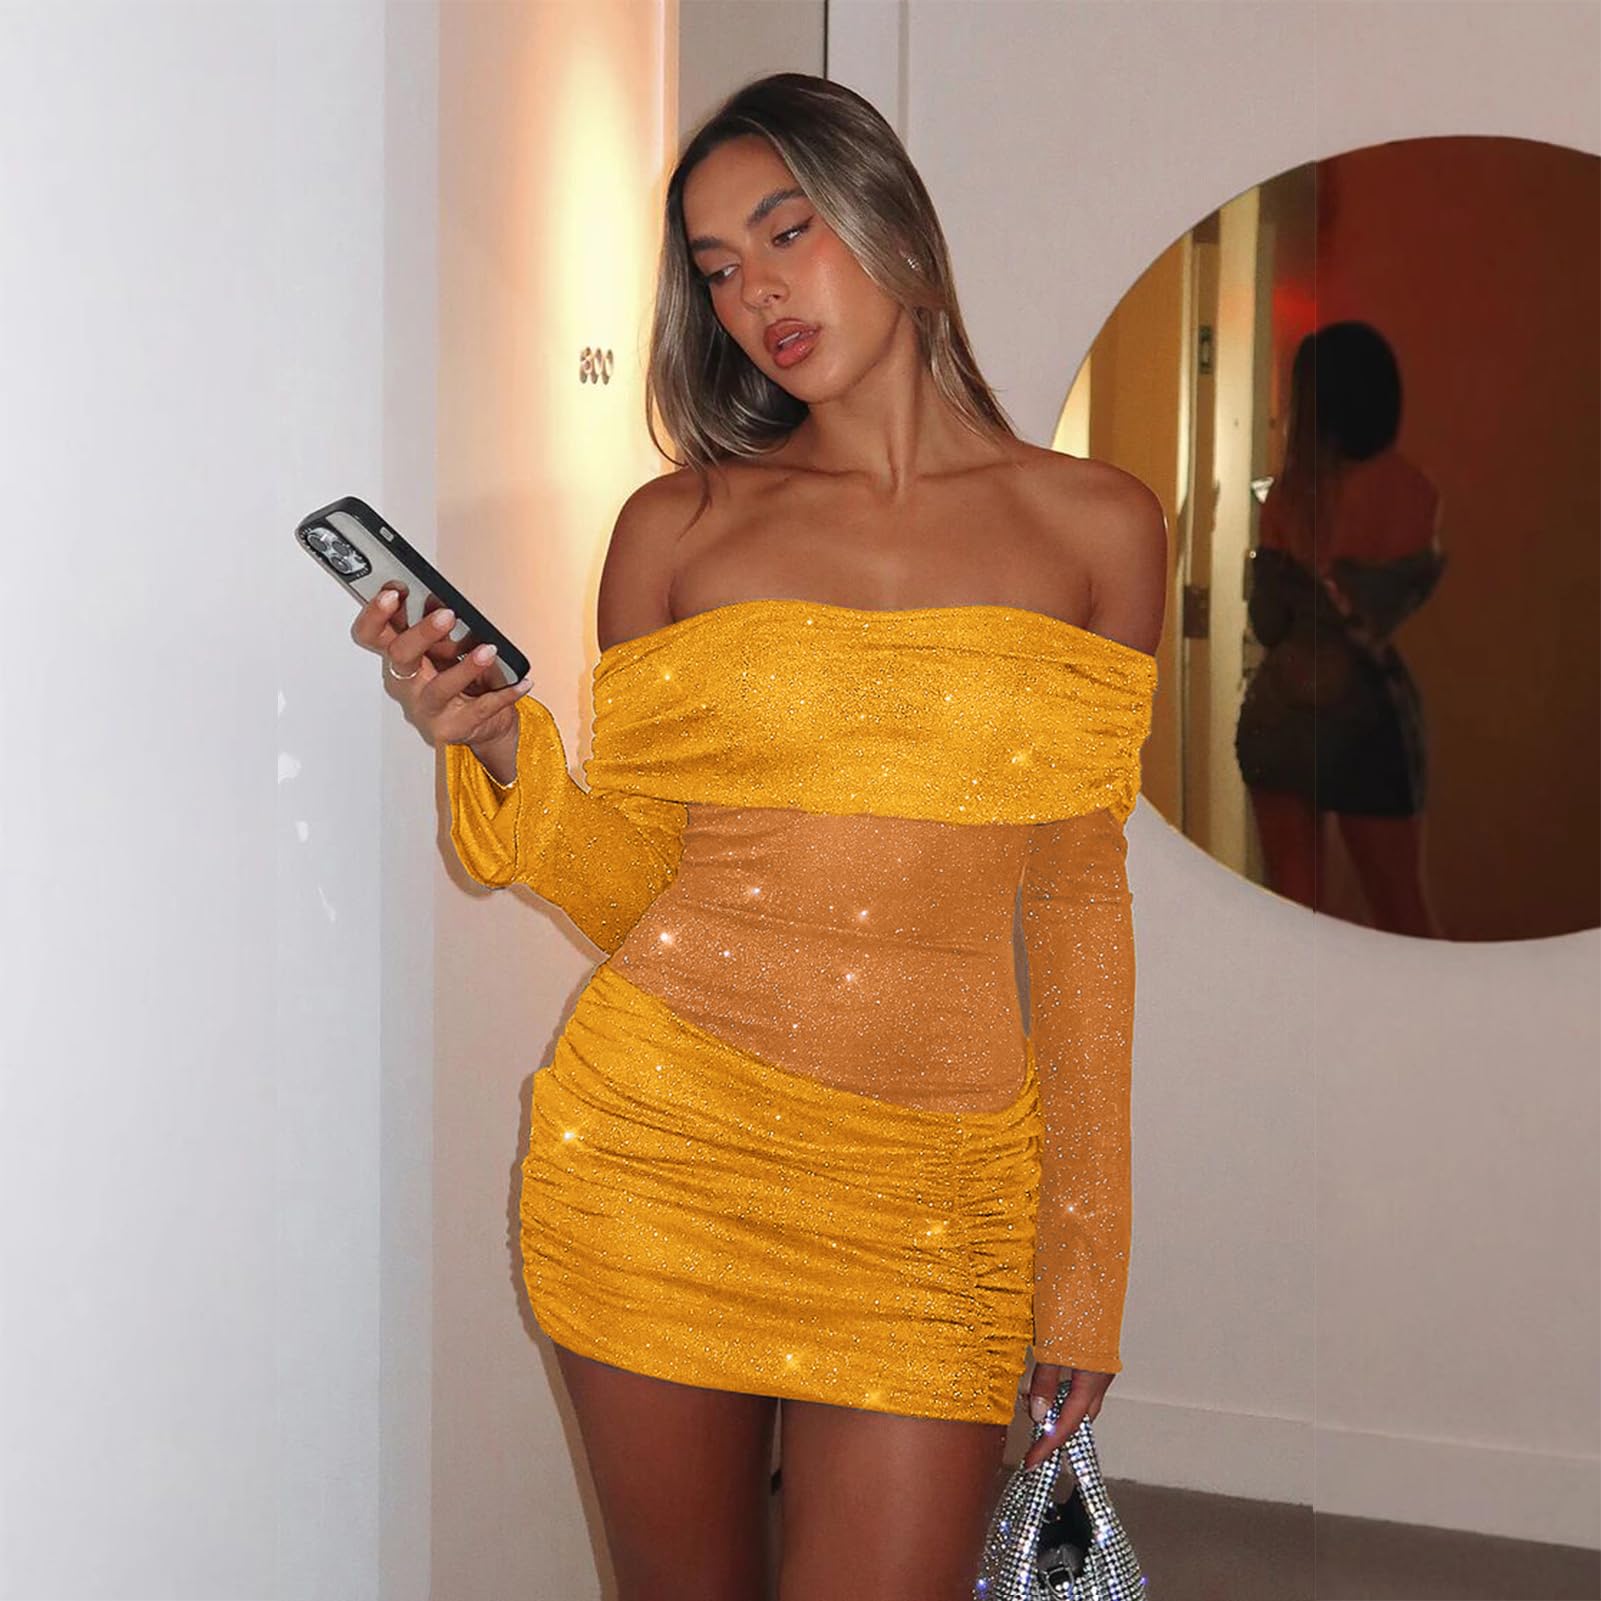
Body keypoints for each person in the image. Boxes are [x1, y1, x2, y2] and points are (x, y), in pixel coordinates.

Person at [353, 72, 1165, 1601]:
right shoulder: (680, 531)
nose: (756, 295)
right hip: (659, 1158)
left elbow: (1075, 910)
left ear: (891, 220)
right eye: (719, 268)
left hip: (935, 1195)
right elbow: (644, 887)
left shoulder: (1095, 529)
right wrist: (506, 750)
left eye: (787, 232)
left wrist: (1084, 1266)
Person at [1234, 321, 1446, 936]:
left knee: (1296, 917)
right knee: (1401, 913)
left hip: (1281, 714)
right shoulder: (1414, 491)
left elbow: (1268, 624)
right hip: (1367, 713)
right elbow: (1384, 610)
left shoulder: (1289, 496)